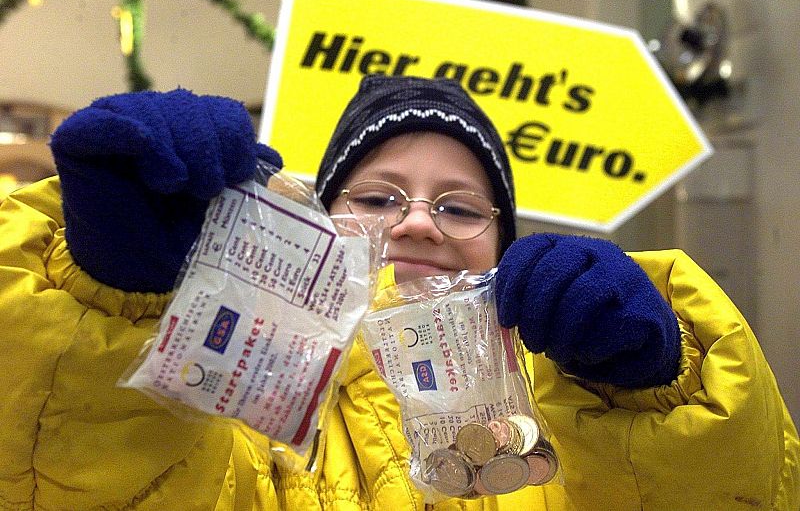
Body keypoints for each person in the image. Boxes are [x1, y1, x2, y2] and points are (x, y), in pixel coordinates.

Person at [0, 78, 796, 511]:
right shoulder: (235, 406)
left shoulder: (571, 421)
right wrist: (109, 291)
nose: (418, 224)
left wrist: (657, 388)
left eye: (458, 206)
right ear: (319, 225)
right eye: (378, 200)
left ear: (504, 245)